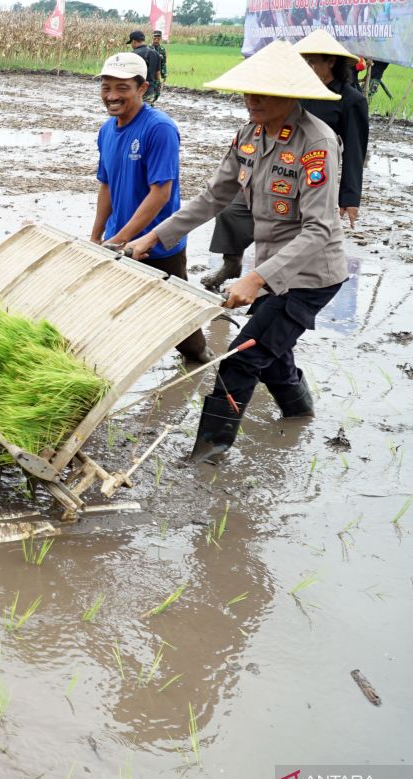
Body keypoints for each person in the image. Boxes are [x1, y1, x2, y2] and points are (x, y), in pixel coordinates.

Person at [126, 40, 347, 462]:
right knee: (272, 351)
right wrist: (154, 237)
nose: (252, 101)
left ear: (291, 93)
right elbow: (213, 196)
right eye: (248, 92)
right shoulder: (248, 135)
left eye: (263, 93)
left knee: (242, 357)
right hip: (267, 268)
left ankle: (208, 455)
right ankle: (299, 415)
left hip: (310, 275)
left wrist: (255, 278)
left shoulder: (316, 144)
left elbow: (320, 227)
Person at [202, 29, 368, 291]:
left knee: (297, 230)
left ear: (331, 62)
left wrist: (350, 198)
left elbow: (356, 149)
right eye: (303, 62)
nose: (306, 67)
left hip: (309, 176)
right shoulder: (291, 93)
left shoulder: (351, 100)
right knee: (231, 212)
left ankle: (280, 282)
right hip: (270, 167)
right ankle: (231, 263)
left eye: (312, 62)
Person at [90, 52, 212, 363]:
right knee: (114, 315)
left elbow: (161, 192)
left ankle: (203, 362)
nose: (112, 96)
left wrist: (125, 238)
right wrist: (97, 237)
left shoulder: (159, 128)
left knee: (181, 326)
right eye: (106, 88)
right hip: (119, 242)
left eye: (122, 88)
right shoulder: (107, 130)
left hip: (158, 244)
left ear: (143, 88)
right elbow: (106, 185)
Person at [127, 31, 162, 106]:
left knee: (134, 113)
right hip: (150, 89)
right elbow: (157, 75)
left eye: (131, 43)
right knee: (147, 112)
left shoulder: (133, 55)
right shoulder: (156, 54)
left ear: (134, 41)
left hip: (136, 89)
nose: (131, 45)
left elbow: (128, 75)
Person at [151, 29, 168, 96]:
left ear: (160, 38)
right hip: (149, 75)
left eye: (158, 38)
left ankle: (152, 103)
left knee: (157, 93)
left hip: (157, 75)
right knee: (149, 92)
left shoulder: (162, 49)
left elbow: (163, 63)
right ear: (152, 38)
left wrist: (164, 74)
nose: (156, 40)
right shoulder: (148, 48)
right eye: (155, 38)